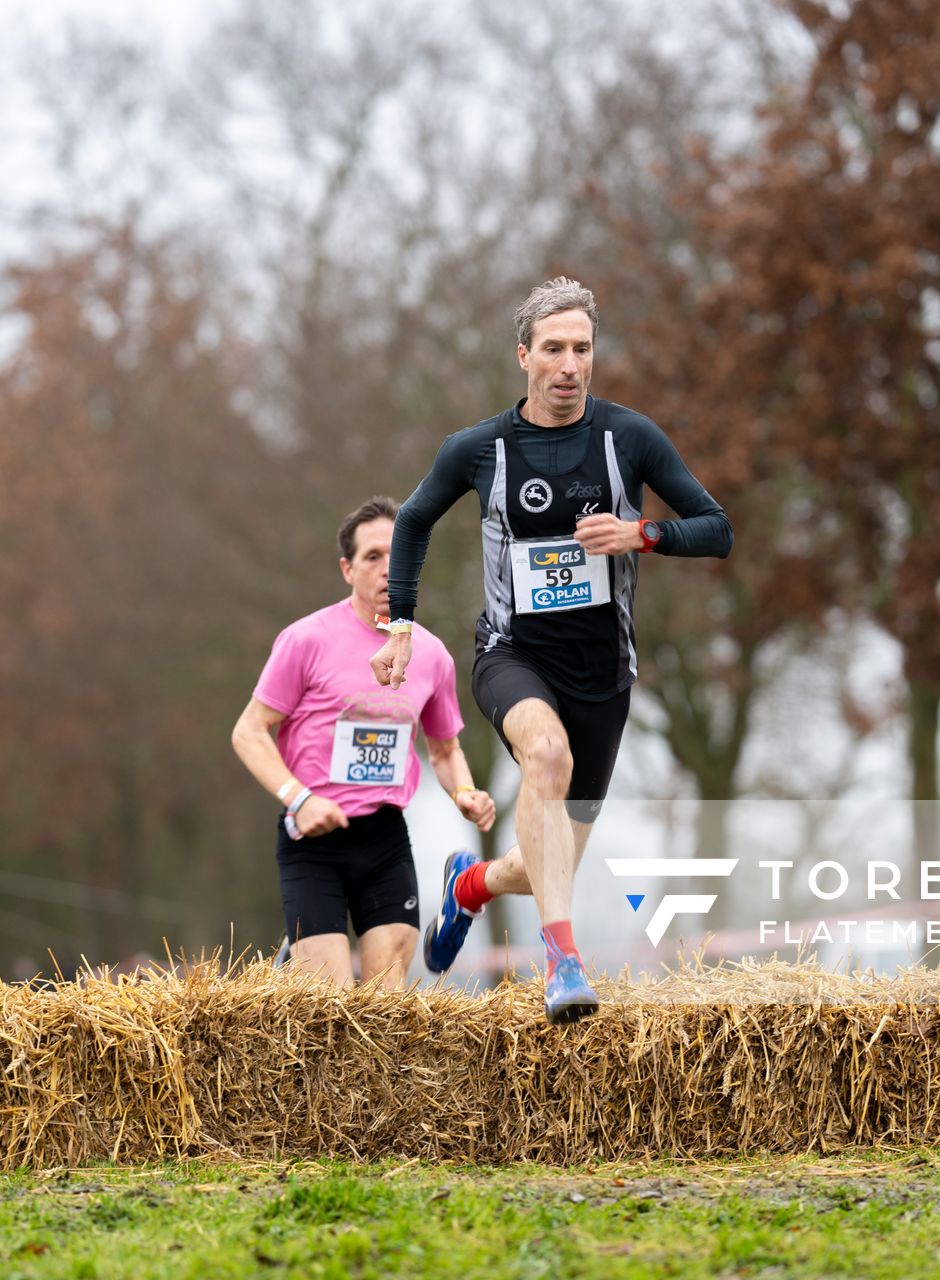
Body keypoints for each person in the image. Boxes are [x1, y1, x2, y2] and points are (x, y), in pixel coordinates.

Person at [372, 276, 733, 1023]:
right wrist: (400, 626)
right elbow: (412, 522)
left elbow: (717, 527)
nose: (570, 364)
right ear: (524, 356)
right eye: (554, 349)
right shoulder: (478, 449)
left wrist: (643, 533)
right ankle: (563, 963)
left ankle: (469, 886)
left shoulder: (628, 437)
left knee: (545, 867)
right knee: (546, 758)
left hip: (604, 675)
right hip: (513, 656)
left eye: (583, 349)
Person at [232, 495, 497, 989]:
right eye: (373, 557)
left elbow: (444, 749)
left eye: (399, 556)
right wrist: (299, 798)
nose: (387, 569)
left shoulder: (433, 655)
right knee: (331, 1011)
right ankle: (298, 958)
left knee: (384, 1012)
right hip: (312, 839)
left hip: (384, 840)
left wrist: (464, 793)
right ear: (347, 570)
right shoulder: (305, 640)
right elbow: (248, 731)